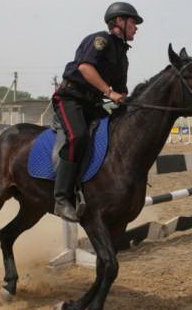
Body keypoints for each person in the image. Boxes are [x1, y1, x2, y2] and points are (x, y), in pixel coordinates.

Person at [51, 2, 143, 222]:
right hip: (70, 99)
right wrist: (109, 93)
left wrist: (132, 103)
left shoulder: (122, 55)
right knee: (78, 136)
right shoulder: (100, 40)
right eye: (133, 22)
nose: (136, 27)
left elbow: (121, 91)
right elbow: (85, 67)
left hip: (92, 104)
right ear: (119, 21)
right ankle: (62, 198)